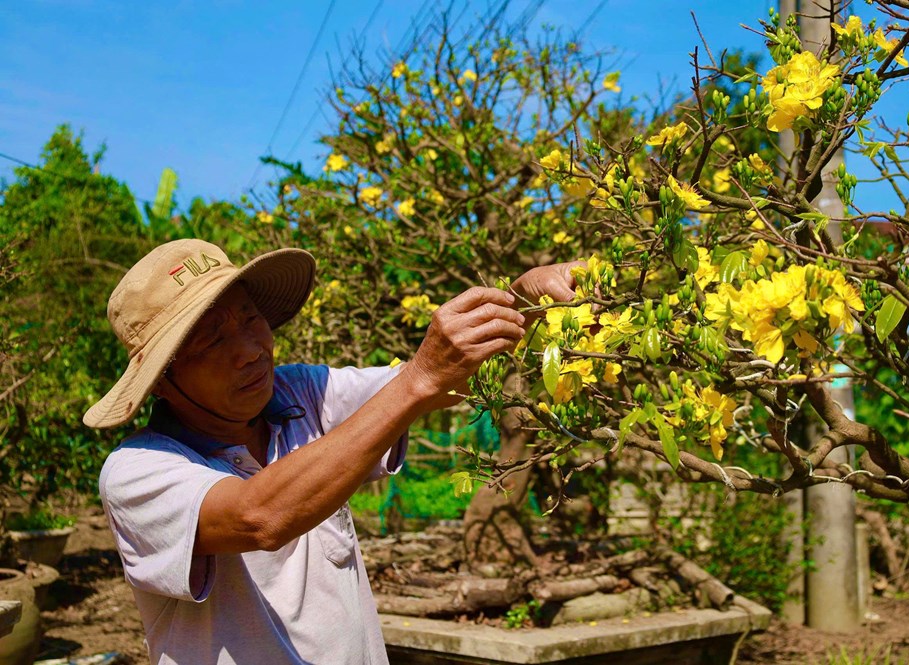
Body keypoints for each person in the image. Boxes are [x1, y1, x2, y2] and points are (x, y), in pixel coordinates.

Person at [84, 238, 579, 665]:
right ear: (162, 383)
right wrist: (419, 379)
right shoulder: (137, 472)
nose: (251, 348)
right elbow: (260, 516)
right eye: (212, 340)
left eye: (251, 317)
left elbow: (440, 381)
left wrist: (523, 300)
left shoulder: (298, 394)